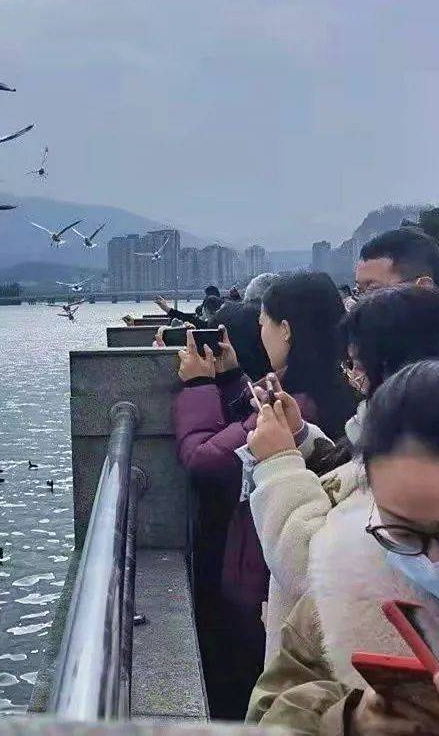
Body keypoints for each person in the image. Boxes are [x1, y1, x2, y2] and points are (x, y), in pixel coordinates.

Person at [247, 360, 439, 734]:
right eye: (403, 533)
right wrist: (349, 720)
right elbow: (265, 718)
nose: (433, 560)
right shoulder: (339, 592)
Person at [244, 285, 439, 662]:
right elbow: (349, 481)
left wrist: (279, 464)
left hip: (341, 689)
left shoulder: (417, 459)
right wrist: (301, 439)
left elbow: (312, 567)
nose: (351, 379)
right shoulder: (424, 427)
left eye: (357, 366)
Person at [173, 271, 354, 718]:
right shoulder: (335, 390)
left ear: (285, 330)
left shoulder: (293, 406)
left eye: (264, 325)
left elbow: (204, 459)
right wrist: (234, 377)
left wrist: (197, 387)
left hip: (266, 578)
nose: (261, 333)